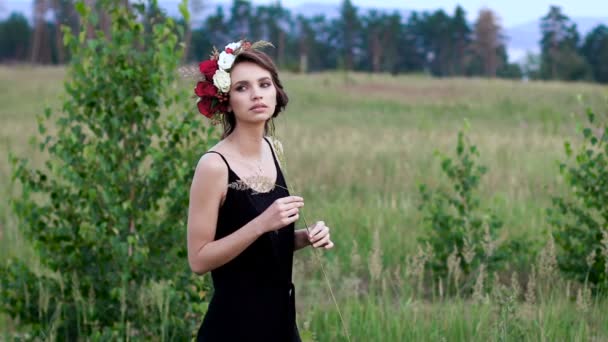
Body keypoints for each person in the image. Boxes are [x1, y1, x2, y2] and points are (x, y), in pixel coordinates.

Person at [186, 40, 335, 342]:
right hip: (234, 326)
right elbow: (199, 260)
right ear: (226, 101)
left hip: (280, 322)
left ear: (276, 92)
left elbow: (258, 249)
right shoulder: (214, 166)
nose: (256, 94)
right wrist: (262, 223)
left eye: (264, 84)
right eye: (242, 87)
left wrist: (303, 238)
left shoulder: (272, 148)